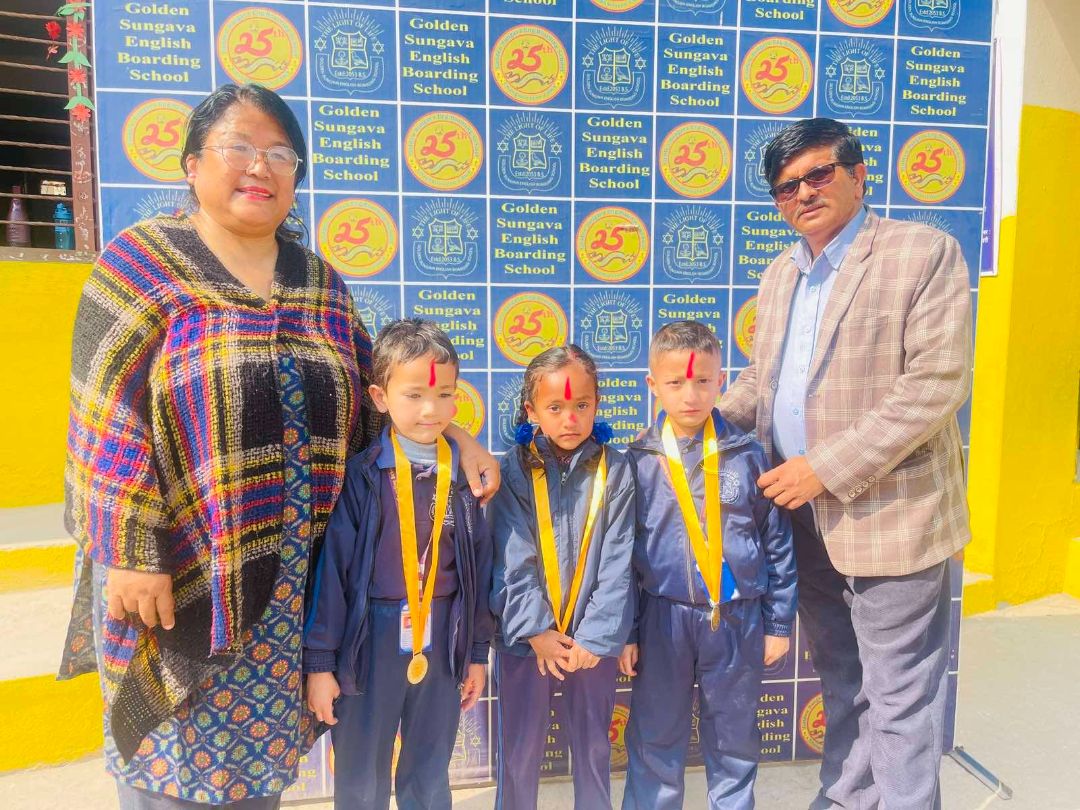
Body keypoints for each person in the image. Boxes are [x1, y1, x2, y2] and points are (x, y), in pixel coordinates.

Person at [58, 84, 498, 809]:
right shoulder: (141, 265)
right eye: (238, 147)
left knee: (257, 775)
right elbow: (103, 417)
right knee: (174, 772)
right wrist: (129, 551)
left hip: (292, 594)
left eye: (279, 154)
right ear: (192, 163)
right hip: (182, 575)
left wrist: (457, 434)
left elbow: (380, 393)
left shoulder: (319, 284)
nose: (259, 166)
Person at [720, 118, 973, 810]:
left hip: (893, 519)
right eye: (786, 187)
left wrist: (823, 468)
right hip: (802, 521)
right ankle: (850, 799)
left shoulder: (922, 253)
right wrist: (687, 435)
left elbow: (935, 385)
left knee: (899, 699)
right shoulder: (783, 273)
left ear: (859, 175)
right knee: (843, 682)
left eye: (818, 174)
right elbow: (761, 382)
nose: (803, 193)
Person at [303, 319, 494, 810]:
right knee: (361, 771)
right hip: (371, 637)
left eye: (444, 395)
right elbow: (333, 575)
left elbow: (479, 572)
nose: (431, 409)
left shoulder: (465, 478)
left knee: (430, 769)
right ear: (380, 397)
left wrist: (476, 652)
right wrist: (320, 664)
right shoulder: (362, 476)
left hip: (443, 633)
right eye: (414, 395)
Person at [620, 320, 797, 810]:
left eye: (702, 381)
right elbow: (623, 558)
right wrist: (627, 631)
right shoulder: (638, 461)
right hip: (663, 618)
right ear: (653, 384)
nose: (690, 395)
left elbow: (776, 541)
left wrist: (778, 623)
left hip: (737, 618)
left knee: (734, 737)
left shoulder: (748, 455)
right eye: (675, 382)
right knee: (656, 734)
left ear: (722, 381)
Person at [490, 345, 636, 810]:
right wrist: (535, 630)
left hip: (591, 642)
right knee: (519, 752)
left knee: (594, 748)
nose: (570, 419)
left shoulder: (617, 469)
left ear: (597, 404)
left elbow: (619, 560)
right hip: (526, 641)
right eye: (554, 407)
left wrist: (596, 636)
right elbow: (511, 558)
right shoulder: (512, 470)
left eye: (581, 405)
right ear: (531, 411)